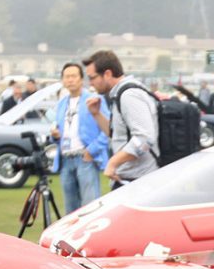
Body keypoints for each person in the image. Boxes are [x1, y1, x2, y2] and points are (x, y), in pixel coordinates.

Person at [83, 49, 159, 187]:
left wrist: (113, 162)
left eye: (92, 77)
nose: (90, 83)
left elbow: (145, 138)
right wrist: (96, 114)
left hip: (138, 180)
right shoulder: (119, 94)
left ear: (107, 74)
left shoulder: (129, 95)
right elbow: (117, 135)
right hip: (129, 178)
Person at [51, 61, 108, 214]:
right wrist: (56, 136)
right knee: (70, 210)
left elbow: (108, 130)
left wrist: (91, 151)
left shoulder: (94, 100)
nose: (70, 80)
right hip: (65, 159)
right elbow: (59, 129)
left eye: (74, 76)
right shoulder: (62, 103)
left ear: (81, 79)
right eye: (66, 77)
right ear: (62, 80)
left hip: (85, 159)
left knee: (90, 207)